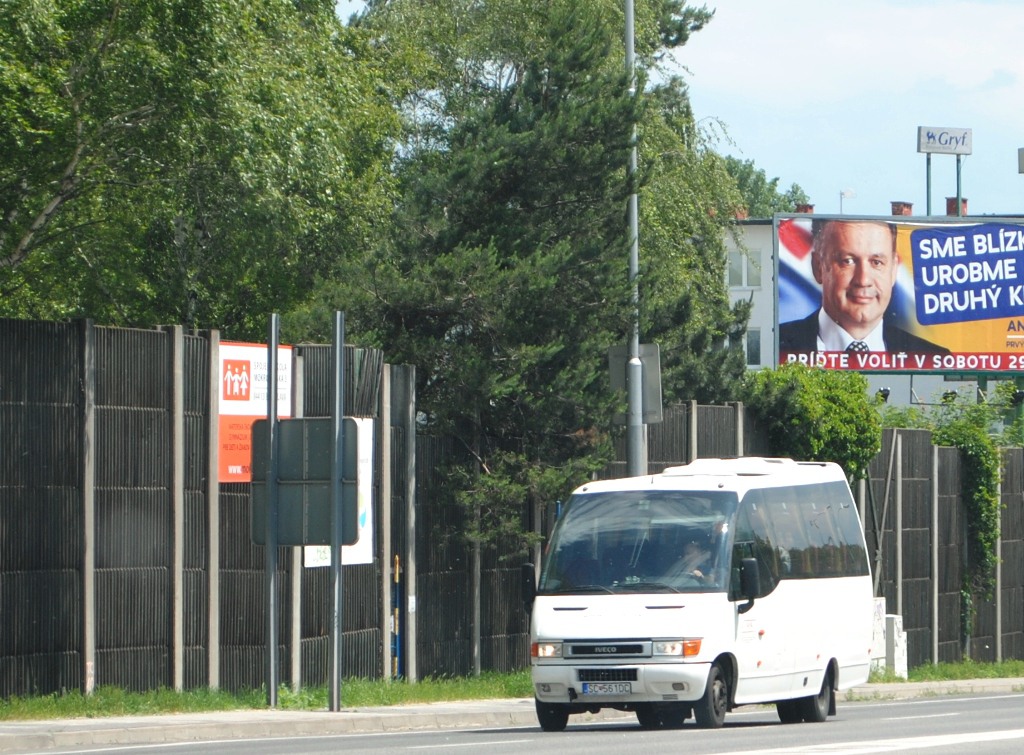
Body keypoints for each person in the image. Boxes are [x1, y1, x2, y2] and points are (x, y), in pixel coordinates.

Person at [779, 219, 948, 354]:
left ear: (894, 270)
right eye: (848, 261)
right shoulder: (777, 347)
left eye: (877, 262)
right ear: (818, 267)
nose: (863, 280)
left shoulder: (933, 358)